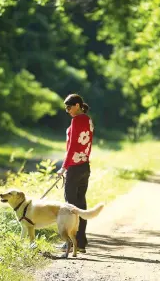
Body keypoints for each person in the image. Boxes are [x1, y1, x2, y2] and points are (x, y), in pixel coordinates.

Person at [56, 93, 94, 253]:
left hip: (74, 167)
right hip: (85, 166)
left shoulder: (77, 120)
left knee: (70, 208)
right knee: (81, 206)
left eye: (69, 107)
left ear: (77, 105)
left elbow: (72, 147)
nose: (67, 110)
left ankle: (70, 243)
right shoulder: (88, 119)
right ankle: (81, 243)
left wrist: (64, 167)